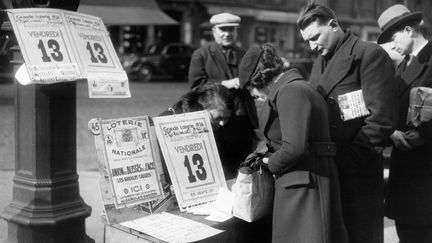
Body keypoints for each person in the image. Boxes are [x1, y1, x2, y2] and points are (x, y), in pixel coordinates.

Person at [297, 3, 398, 243]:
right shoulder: (321, 61)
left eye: (315, 37)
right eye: (307, 41)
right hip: (330, 169)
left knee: (360, 234)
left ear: (333, 25)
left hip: (357, 172)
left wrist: (351, 159)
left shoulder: (368, 54)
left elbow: (382, 119)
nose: (312, 46)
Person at [239, 43, 348, 243]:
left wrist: (268, 163)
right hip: (303, 180)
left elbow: (294, 147)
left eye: (251, 87)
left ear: (259, 77)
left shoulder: (290, 92)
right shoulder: (294, 88)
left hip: (304, 183)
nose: (253, 94)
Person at [377, 4, 432, 243]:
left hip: (427, 166)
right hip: (407, 167)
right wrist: (392, 131)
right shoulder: (402, 65)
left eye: (393, 36)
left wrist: (424, 135)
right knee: (407, 233)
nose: (392, 44)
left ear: (409, 30)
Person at [188, 12, 258, 179]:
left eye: (231, 30)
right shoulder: (201, 54)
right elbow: (195, 88)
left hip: (242, 124)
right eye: (223, 29)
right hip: (215, 124)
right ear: (214, 31)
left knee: (243, 172)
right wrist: (224, 84)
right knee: (218, 170)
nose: (227, 33)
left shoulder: (244, 54)